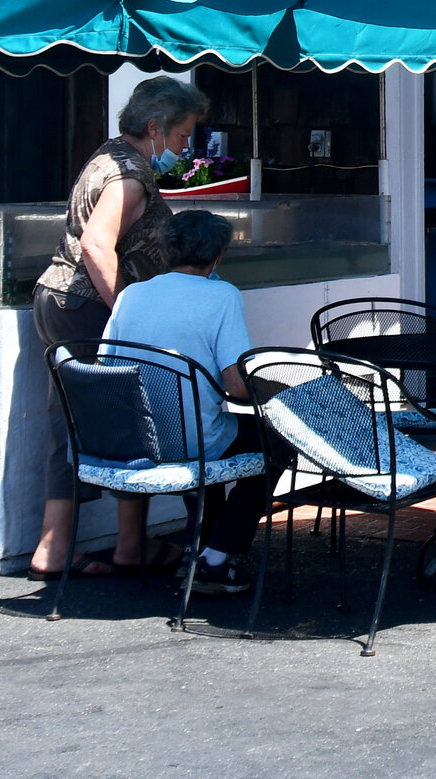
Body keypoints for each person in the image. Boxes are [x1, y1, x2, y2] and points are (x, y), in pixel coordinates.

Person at [28, 75, 206, 581]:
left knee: (69, 425)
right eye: (180, 136)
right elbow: (96, 245)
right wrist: (126, 311)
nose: (183, 147)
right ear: (155, 127)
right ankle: (120, 545)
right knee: (131, 421)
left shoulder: (106, 156)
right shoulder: (129, 176)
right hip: (88, 307)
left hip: (61, 300)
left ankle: (60, 545)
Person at [104, 208, 266, 595]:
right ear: (218, 255)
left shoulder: (131, 294)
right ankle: (217, 555)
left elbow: (105, 367)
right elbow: (238, 388)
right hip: (191, 442)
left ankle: (203, 545)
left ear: (164, 252)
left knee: (209, 429)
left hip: (133, 439)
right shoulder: (222, 295)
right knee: (273, 443)